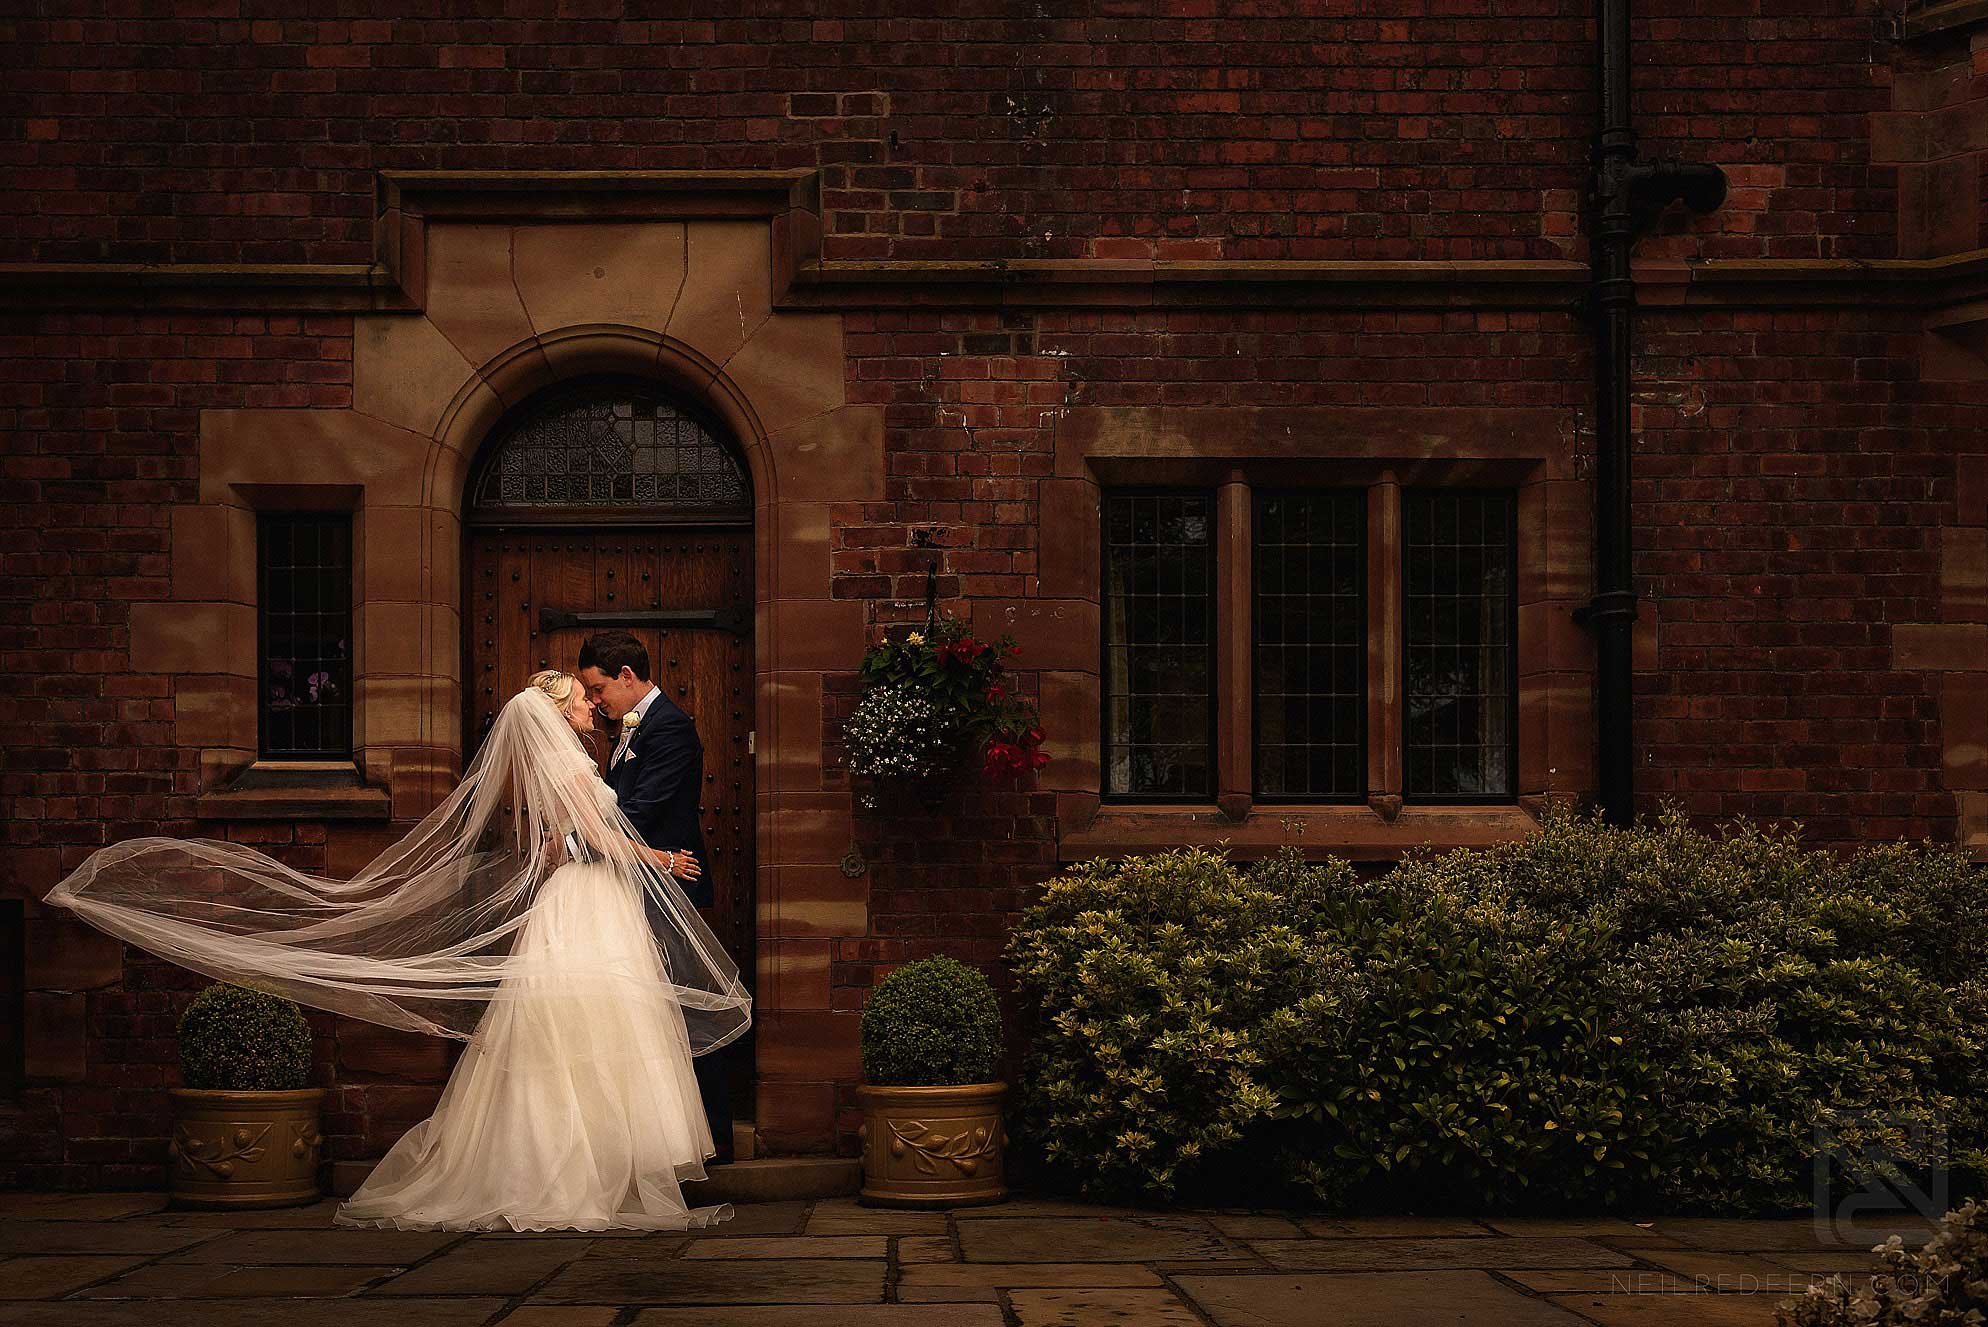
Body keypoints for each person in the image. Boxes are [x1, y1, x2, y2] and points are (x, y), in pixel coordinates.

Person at [42, 670, 750, 1232]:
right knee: (587, 1032)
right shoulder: (568, 767)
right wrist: (657, 856)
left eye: (594, 697)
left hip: (582, 905)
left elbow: (558, 845)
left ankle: (596, 1168)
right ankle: (586, 1174)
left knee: (578, 1035)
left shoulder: (561, 766)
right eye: (582, 700)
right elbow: (590, 840)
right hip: (590, 908)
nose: (593, 707)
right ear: (555, 713)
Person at [575, 631, 733, 1163]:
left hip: (670, 883)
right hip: (639, 881)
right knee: (650, 1010)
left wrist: (579, 839)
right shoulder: (631, 728)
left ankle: (714, 1137)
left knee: (687, 1005)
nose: (596, 703)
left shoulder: (671, 728)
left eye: (599, 690)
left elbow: (640, 813)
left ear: (626, 676)